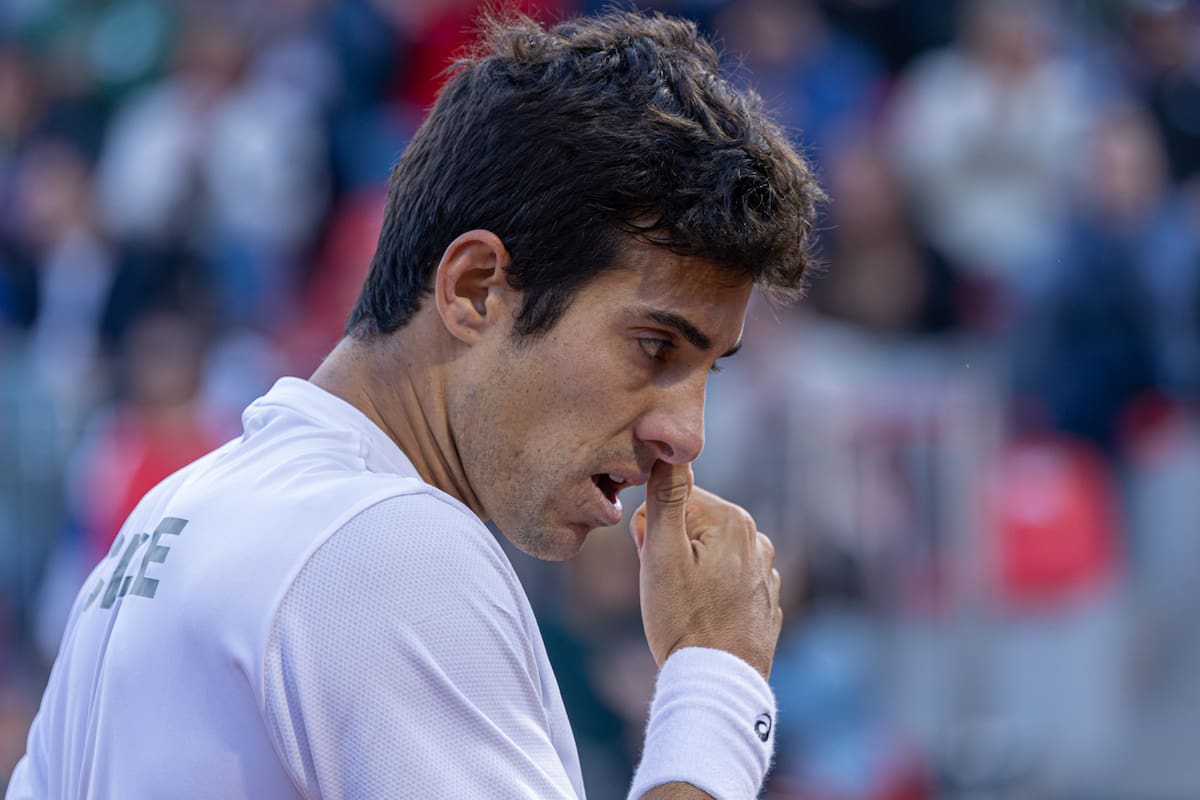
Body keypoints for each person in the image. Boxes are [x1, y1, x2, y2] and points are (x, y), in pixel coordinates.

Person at [7, 10, 823, 799]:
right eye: (656, 347)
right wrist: (715, 679)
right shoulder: (386, 546)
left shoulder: (168, 518)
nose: (684, 434)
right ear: (474, 290)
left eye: (708, 371)